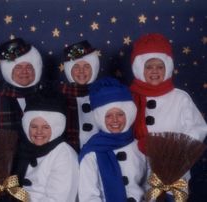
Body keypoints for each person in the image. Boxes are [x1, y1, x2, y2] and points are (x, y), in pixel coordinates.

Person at [129, 33, 207, 201]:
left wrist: (175, 149)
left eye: (160, 66)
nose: (155, 71)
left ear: (168, 68)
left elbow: (199, 128)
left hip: (175, 169)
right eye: (149, 67)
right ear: (140, 68)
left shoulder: (180, 97)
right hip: (140, 169)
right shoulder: (130, 97)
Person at [79, 77, 147, 202]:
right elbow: (88, 196)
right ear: (100, 118)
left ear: (129, 114)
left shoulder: (141, 147)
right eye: (108, 116)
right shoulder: (91, 153)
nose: (115, 120)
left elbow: (149, 186)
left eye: (120, 114)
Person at [12, 90, 79, 202]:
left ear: (57, 128)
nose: (39, 132)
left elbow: (58, 199)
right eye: (34, 126)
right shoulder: (23, 148)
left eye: (46, 127)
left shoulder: (64, 155)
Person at [0, 37, 43, 135]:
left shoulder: (46, 94)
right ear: (9, 71)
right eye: (18, 67)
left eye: (29, 67)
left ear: (36, 69)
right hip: (1, 150)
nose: (24, 72)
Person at [60, 40, 100, 152]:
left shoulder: (102, 93)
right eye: (76, 67)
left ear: (94, 68)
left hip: (98, 153)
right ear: (69, 70)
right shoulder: (60, 96)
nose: (81, 71)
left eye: (87, 66)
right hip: (69, 154)